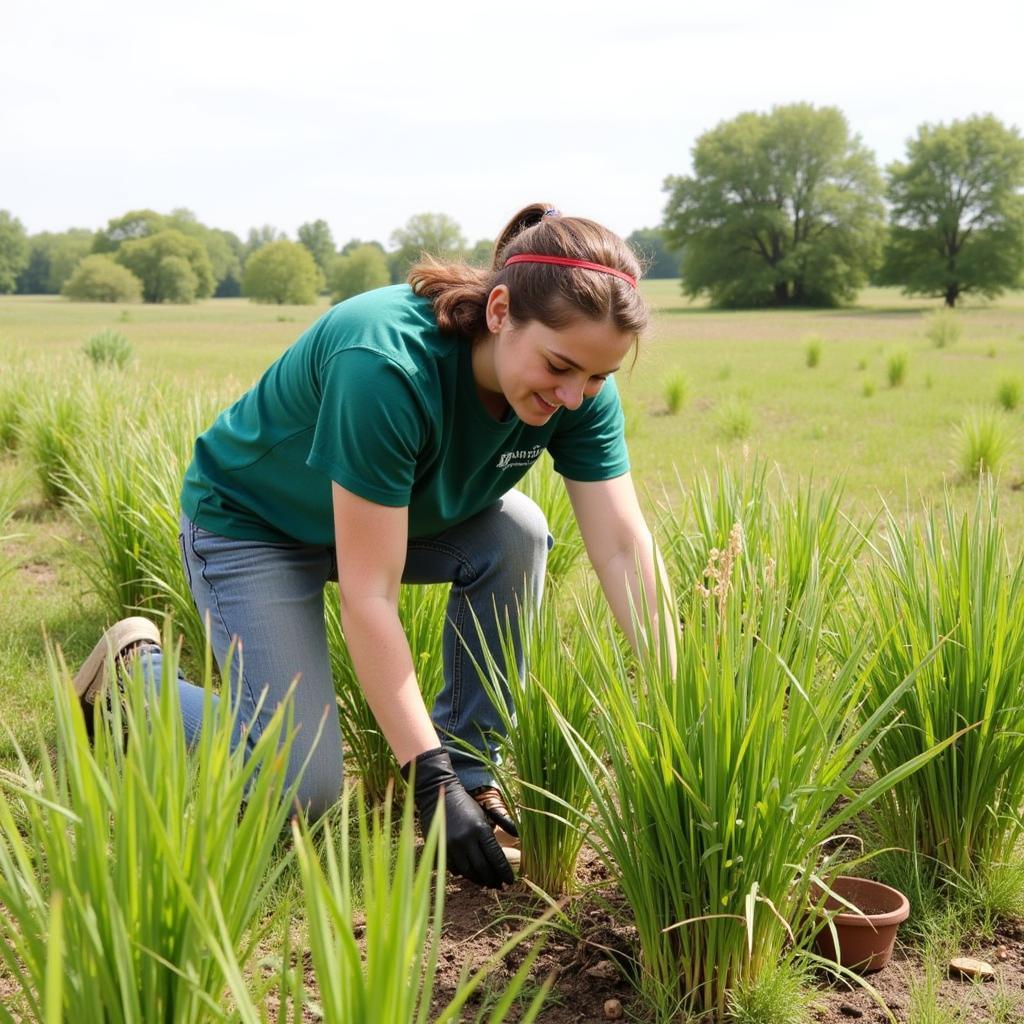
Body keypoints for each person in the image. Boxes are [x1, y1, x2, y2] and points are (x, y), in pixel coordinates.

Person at [72, 203, 672, 890]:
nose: (575, 396)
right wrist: (425, 776)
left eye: (598, 377)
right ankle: (133, 682)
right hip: (255, 525)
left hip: (389, 521)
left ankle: (474, 773)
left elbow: (624, 548)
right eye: (561, 367)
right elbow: (370, 595)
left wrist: (679, 698)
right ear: (501, 310)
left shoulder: (578, 386)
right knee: (303, 788)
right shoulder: (386, 364)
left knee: (518, 532)